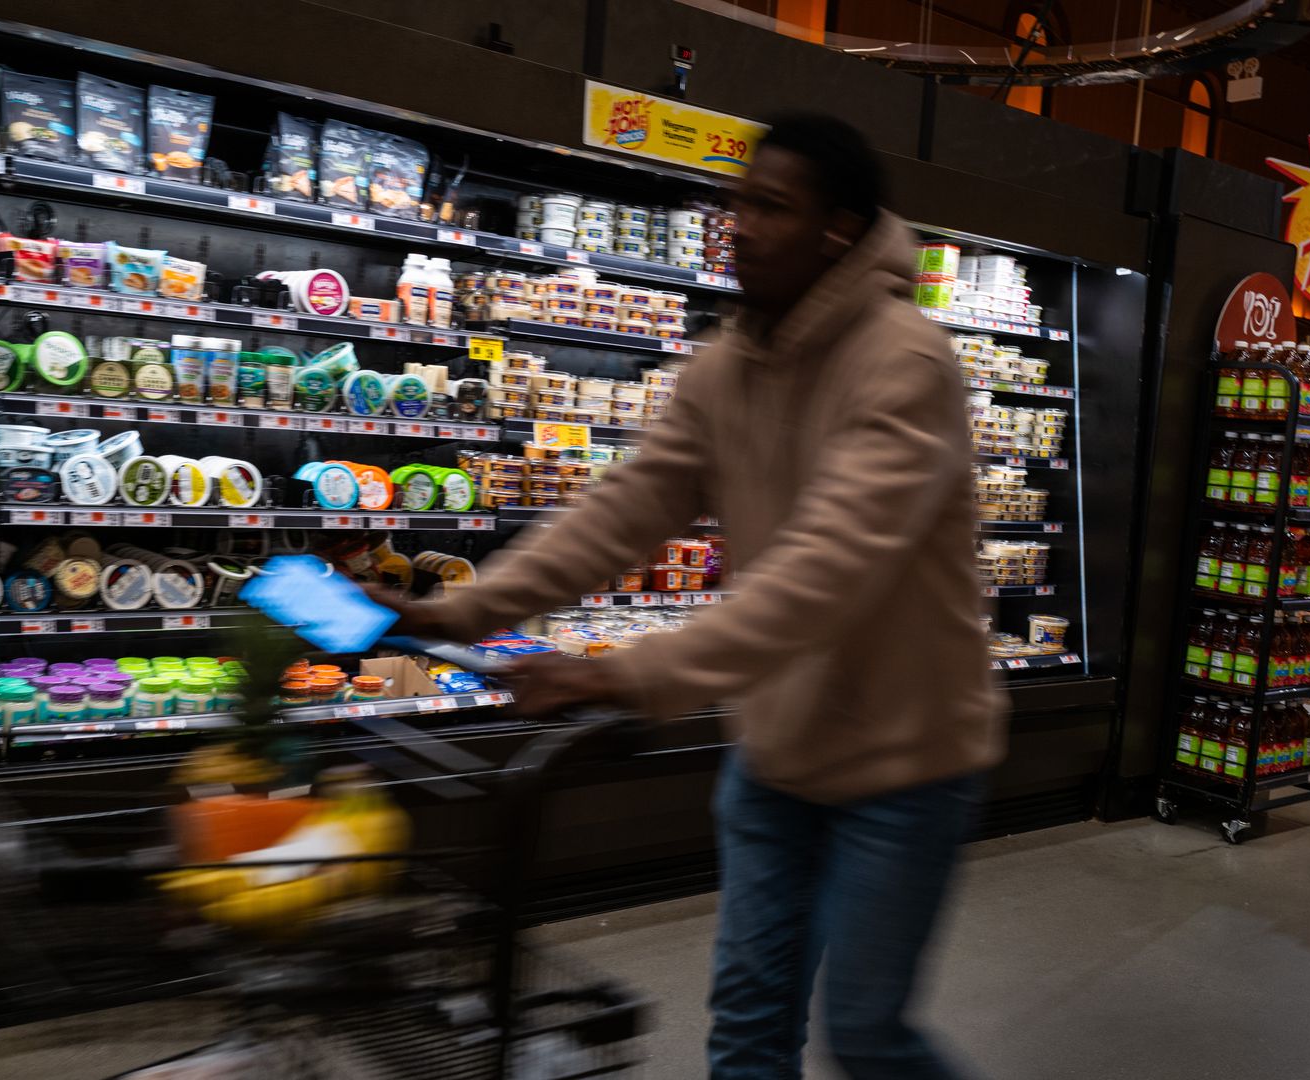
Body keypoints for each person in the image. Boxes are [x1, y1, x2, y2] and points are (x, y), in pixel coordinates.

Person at [382, 113, 1005, 1079]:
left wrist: (624, 676)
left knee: (870, 1035)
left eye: (770, 206)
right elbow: (628, 508)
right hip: (778, 752)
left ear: (839, 228)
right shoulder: (730, 362)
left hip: (905, 760)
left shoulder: (907, 364)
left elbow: (821, 575)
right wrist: (460, 609)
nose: (739, 226)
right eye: (737, 202)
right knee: (748, 1022)